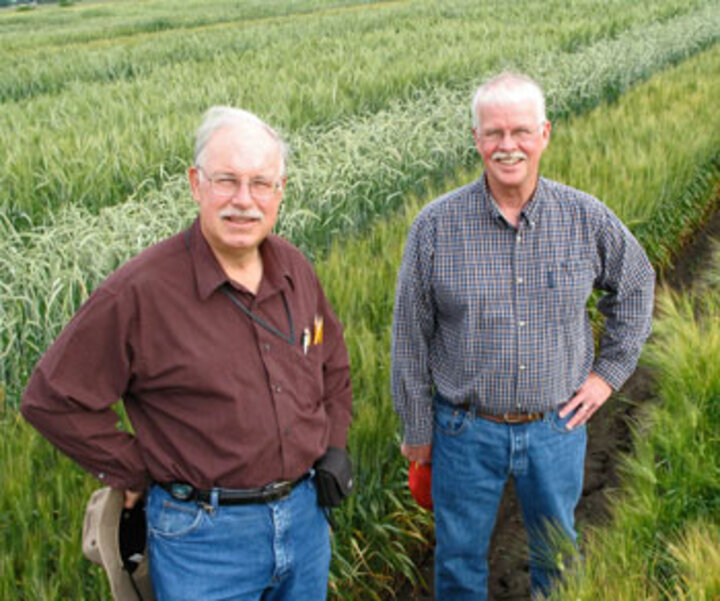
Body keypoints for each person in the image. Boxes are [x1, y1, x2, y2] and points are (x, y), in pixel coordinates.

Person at [21, 106, 353, 601]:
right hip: (203, 541)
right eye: (227, 181)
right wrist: (136, 468)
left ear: (281, 190)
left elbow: (332, 364)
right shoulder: (139, 293)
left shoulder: (294, 269)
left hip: (304, 523)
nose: (245, 200)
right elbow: (50, 401)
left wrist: (335, 447)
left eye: (261, 183)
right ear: (196, 184)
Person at [391, 72, 655, 600]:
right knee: (458, 562)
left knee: (556, 559)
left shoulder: (585, 218)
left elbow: (636, 283)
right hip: (465, 431)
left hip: (555, 429)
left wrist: (607, 376)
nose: (506, 146)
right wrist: (418, 434)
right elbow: (409, 336)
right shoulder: (436, 226)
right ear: (476, 139)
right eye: (493, 133)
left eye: (519, 132)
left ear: (544, 134)